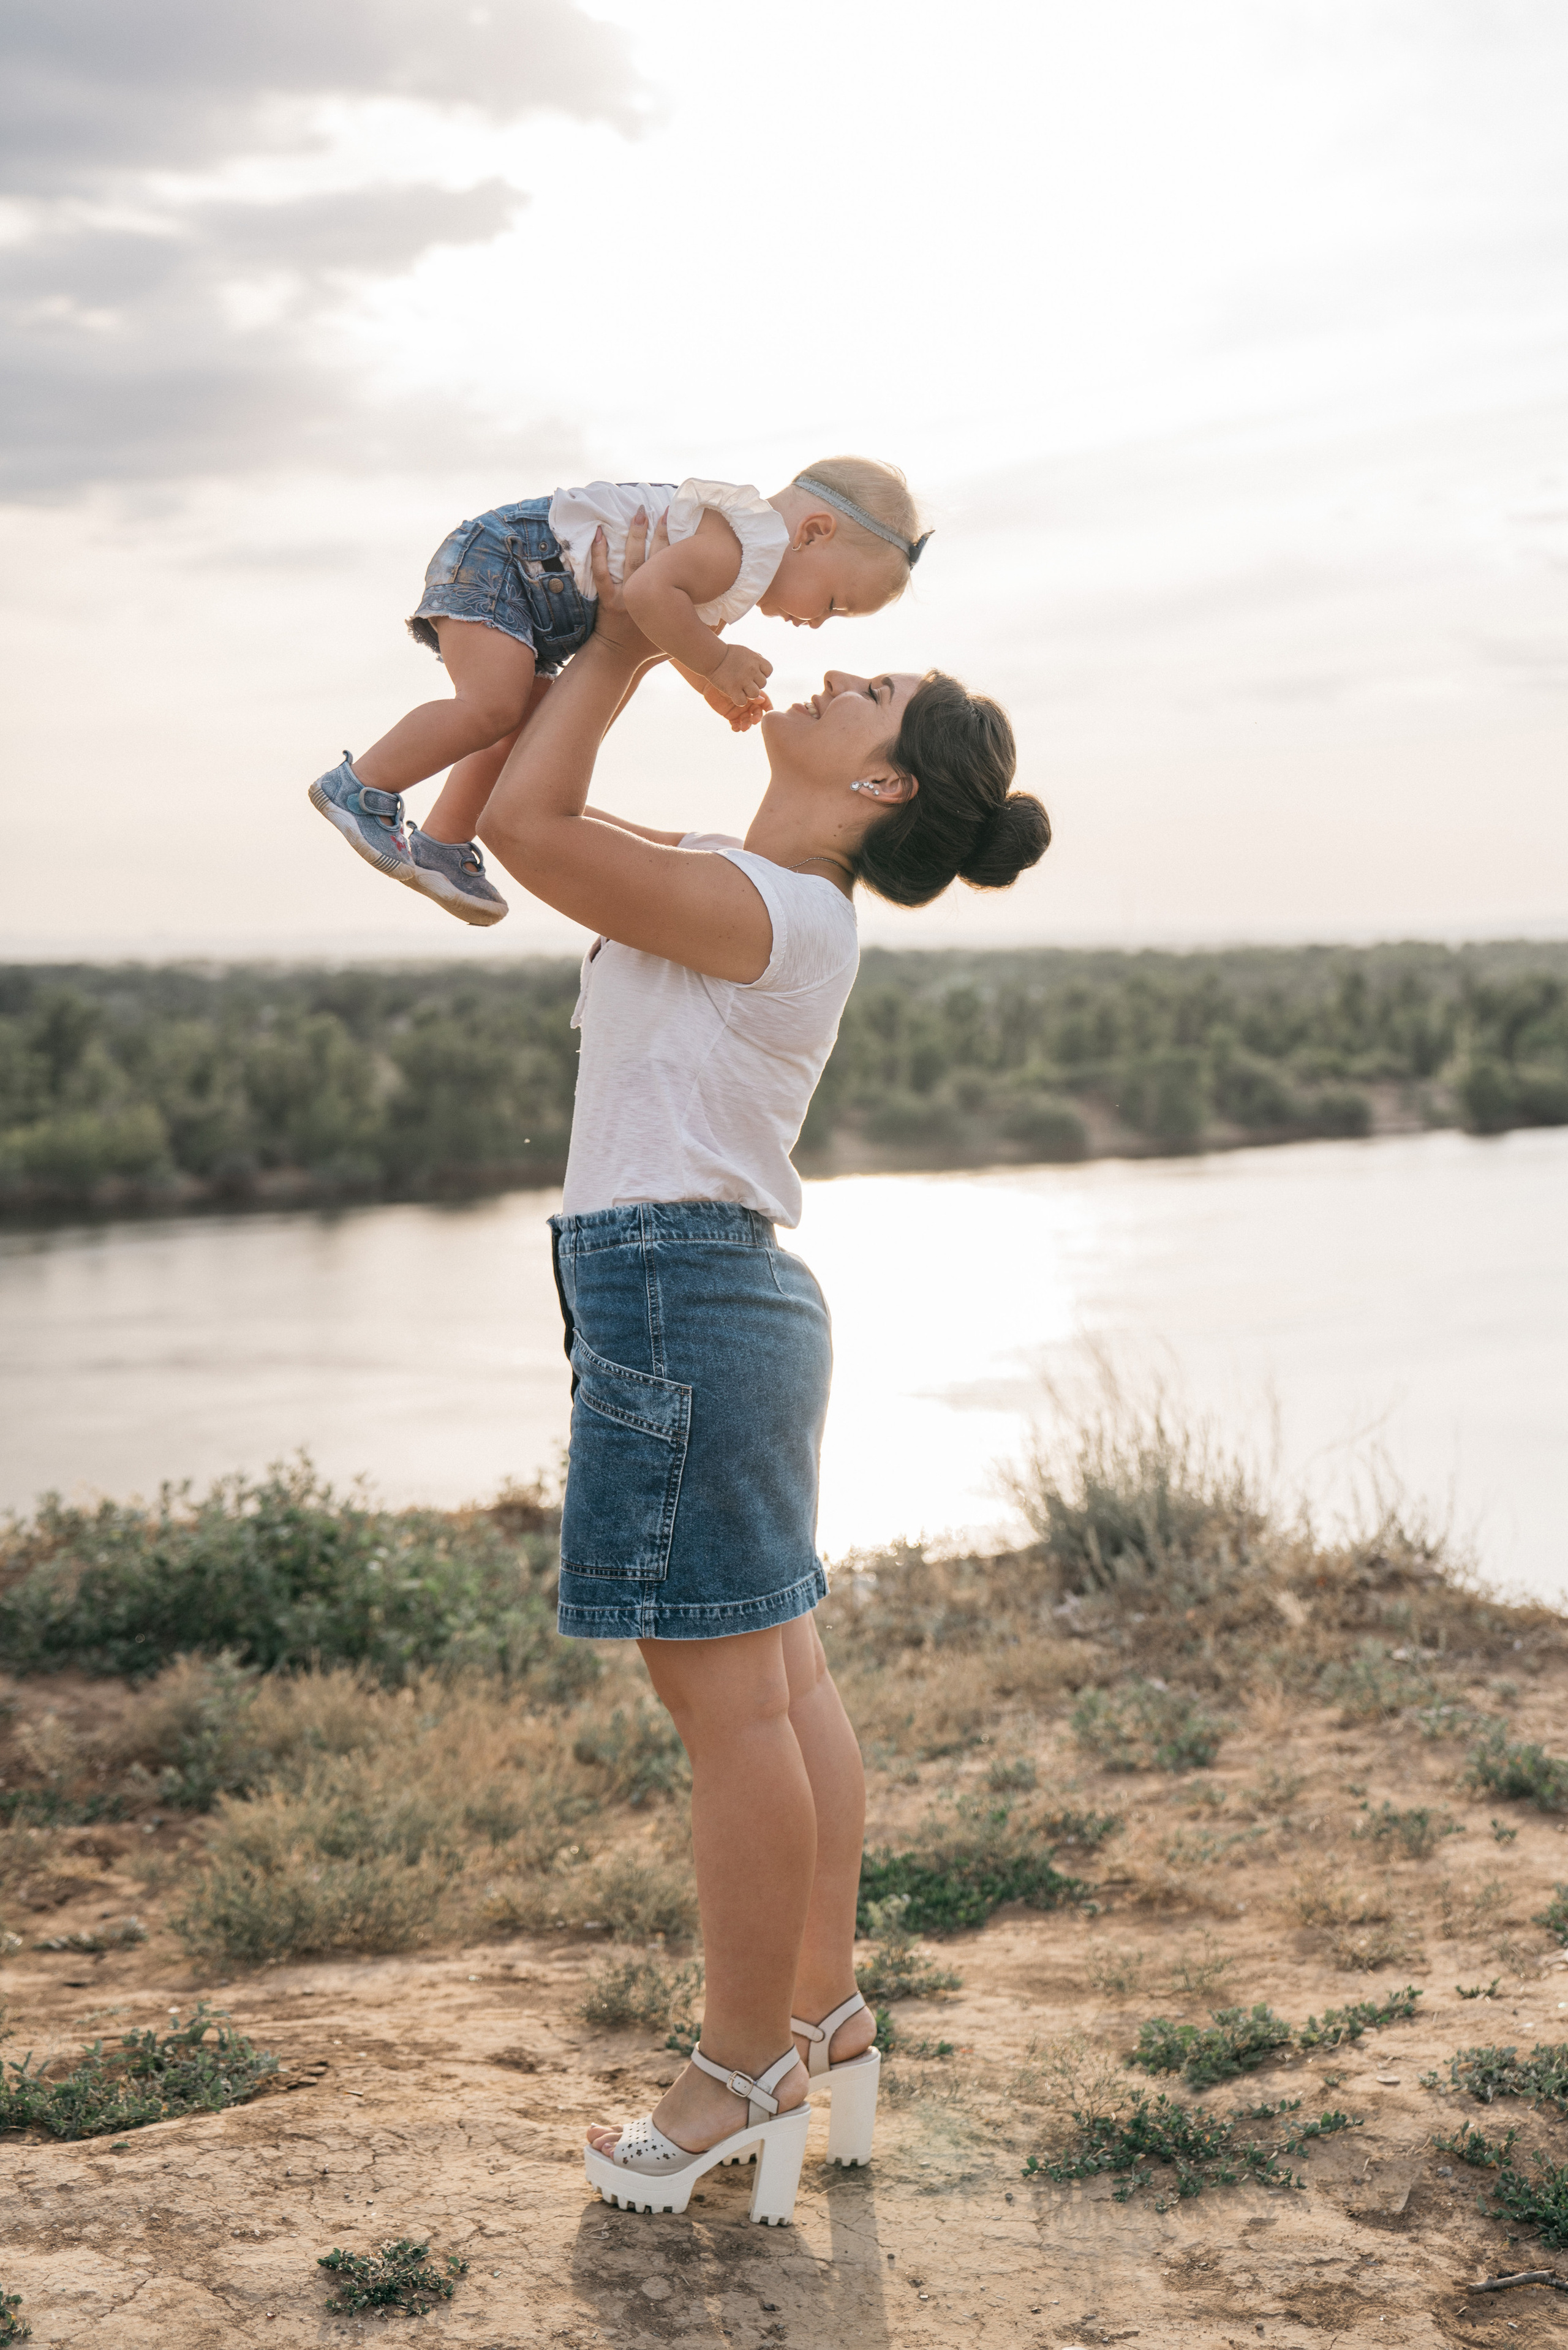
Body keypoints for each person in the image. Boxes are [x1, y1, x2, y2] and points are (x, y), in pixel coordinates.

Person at [477, 513, 1049, 2227]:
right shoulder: (757, 887)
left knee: (729, 1707)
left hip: (679, 1293)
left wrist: (643, 639)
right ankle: (826, 2016)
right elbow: (546, 804)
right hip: (715, 1295)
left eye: (876, 690)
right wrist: (613, 627)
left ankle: (739, 2077)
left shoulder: (768, 909)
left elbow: (516, 827)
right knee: (783, 1687)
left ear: (883, 789)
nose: (843, 668)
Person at [307, 458, 929, 928]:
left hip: (535, 595)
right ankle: (360, 787)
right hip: (510, 565)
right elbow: (647, 598)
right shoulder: (740, 546)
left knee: (522, 725)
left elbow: (672, 620)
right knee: (491, 707)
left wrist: (709, 679)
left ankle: (442, 842)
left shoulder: (743, 560)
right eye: (832, 604)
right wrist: (718, 660)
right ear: (812, 533)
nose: (817, 624)